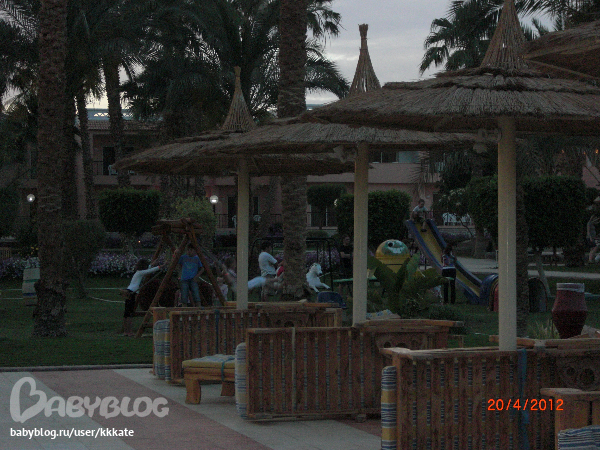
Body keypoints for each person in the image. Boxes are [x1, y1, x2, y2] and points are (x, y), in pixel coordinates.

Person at [123, 258, 161, 336]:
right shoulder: (140, 273)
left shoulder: (138, 272)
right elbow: (149, 271)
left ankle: (126, 331)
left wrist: (153, 264)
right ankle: (129, 332)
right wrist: (160, 266)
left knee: (126, 313)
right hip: (132, 293)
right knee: (129, 313)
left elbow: (147, 269)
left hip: (128, 291)